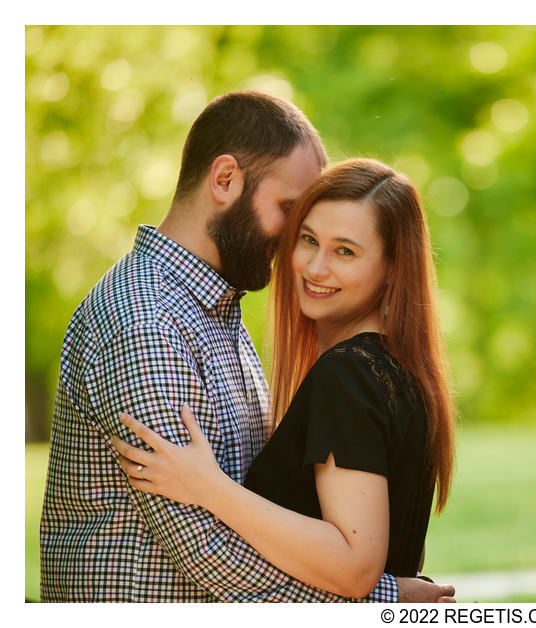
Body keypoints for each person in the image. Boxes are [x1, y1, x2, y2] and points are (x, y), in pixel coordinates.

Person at [40, 91, 453, 603]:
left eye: (343, 249)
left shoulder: (221, 314)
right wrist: (386, 602)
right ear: (225, 180)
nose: (297, 250)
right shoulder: (145, 323)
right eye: (290, 212)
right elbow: (208, 548)